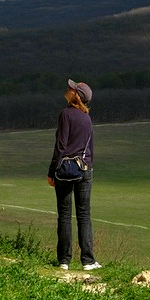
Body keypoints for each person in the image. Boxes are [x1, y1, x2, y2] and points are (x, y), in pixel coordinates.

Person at [47, 79, 101, 271]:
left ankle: (64, 260)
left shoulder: (65, 115)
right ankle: (88, 261)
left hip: (65, 170)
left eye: (71, 89)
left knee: (64, 215)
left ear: (76, 95)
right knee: (84, 215)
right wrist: (88, 167)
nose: (67, 89)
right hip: (85, 169)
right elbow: (91, 148)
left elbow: (61, 146)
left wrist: (51, 171)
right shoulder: (87, 118)